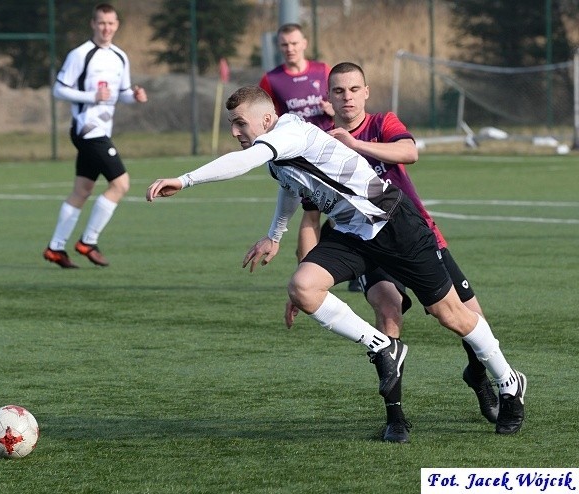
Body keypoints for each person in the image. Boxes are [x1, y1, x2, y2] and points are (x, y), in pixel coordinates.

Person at [145, 85, 526, 440]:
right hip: (352, 232)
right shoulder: (278, 152)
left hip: (392, 222)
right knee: (302, 287)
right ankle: (383, 346)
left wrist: (186, 179)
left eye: (240, 123)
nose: (234, 131)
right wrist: (275, 235)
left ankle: (509, 383)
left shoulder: (289, 133)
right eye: (232, 124)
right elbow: (290, 188)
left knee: (450, 314)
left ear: (266, 120)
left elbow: (244, 161)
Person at [287, 62, 498, 442]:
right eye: (339, 91)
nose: (347, 97)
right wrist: (304, 277)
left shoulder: (382, 122)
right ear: (328, 98)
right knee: (388, 311)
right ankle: (395, 416)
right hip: (365, 244)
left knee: (469, 318)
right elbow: (310, 217)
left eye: (354, 89)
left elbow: (409, 152)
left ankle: (479, 377)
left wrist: (355, 145)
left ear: (366, 92)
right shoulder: (318, 141)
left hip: (415, 234)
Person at [43, 3, 148, 268]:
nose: (106, 28)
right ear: (93, 24)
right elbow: (59, 89)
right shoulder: (80, 54)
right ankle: (88, 241)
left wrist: (133, 97)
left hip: (101, 130)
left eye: (111, 23)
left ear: (117, 25)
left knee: (82, 189)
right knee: (121, 184)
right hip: (87, 130)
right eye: (101, 23)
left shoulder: (120, 57)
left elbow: (120, 93)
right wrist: (91, 96)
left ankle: (55, 248)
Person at [259, 24, 359, 293]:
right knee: (311, 212)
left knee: (346, 209)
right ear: (279, 47)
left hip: (330, 150)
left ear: (304, 43)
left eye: (294, 43)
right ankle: (307, 272)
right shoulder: (272, 80)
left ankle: (349, 270)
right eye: (284, 45)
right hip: (300, 159)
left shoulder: (321, 70)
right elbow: (265, 119)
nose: (290, 49)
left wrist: (331, 108)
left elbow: (342, 99)